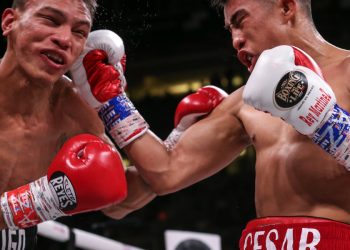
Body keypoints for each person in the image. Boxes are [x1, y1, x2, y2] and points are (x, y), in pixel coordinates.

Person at [71, 0, 350, 249]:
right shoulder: (245, 102)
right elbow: (166, 172)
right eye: (230, 30)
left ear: (286, 7)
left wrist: (325, 120)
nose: (236, 41)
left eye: (241, 21)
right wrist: (111, 102)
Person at [0, 0, 154, 249]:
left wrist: (179, 140)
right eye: (50, 20)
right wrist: (39, 202)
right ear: (9, 22)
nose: (64, 39)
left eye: (79, 32)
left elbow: (116, 201)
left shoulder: (73, 109)